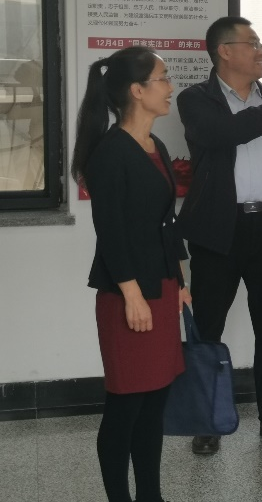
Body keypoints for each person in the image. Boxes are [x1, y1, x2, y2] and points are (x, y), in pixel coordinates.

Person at [176, 17, 262, 454]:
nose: (261, 50)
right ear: (224, 51)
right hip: (219, 230)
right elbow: (221, 135)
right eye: (252, 43)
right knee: (209, 328)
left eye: (260, 43)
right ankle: (207, 420)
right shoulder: (195, 99)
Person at [73, 46, 190, 502]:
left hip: (160, 286)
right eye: (163, 78)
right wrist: (133, 295)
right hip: (128, 295)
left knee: (155, 400)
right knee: (126, 404)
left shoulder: (155, 146)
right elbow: (111, 232)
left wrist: (180, 282)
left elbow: (166, 224)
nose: (170, 87)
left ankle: (151, 496)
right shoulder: (110, 152)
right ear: (137, 91)